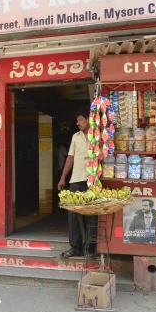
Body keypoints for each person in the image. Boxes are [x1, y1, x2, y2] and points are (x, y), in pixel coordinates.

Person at [57, 111, 94, 258]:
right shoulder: (75, 137)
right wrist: (63, 178)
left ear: (88, 119)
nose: (77, 123)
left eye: (80, 120)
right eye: (77, 120)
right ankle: (75, 247)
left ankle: (90, 248)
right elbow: (70, 159)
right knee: (73, 214)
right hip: (76, 179)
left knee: (91, 214)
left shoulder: (97, 136)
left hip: (92, 180)